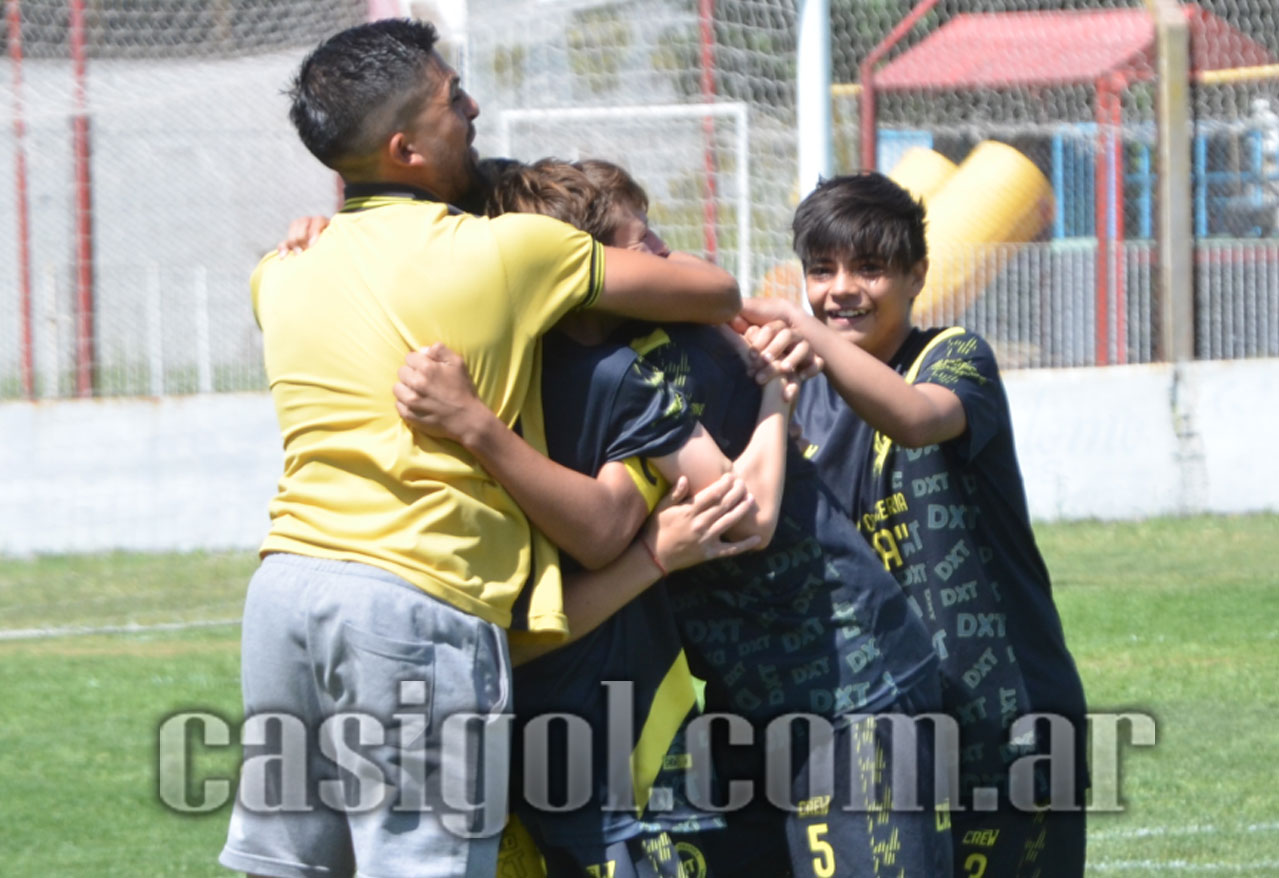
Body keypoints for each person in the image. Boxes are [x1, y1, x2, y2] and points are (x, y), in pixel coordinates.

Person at [220, 19, 743, 878]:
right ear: (406, 148)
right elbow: (713, 291)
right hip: (411, 603)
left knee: (291, 867)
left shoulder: (277, 272)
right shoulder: (511, 253)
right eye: (450, 98)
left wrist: (318, 226)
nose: (471, 108)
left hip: (282, 596)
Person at [396, 160, 952, 878]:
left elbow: (741, 518)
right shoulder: (568, 366)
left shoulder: (656, 347)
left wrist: (773, 395)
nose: (664, 254)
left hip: (854, 680)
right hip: (743, 702)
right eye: (643, 243)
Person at [738, 171, 1089, 877]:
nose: (840, 290)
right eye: (821, 270)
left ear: (917, 275)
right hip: (876, 724)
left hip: (1004, 714)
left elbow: (916, 418)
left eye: (868, 268)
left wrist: (802, 329)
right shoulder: (793, 393)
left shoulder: (954, 357)